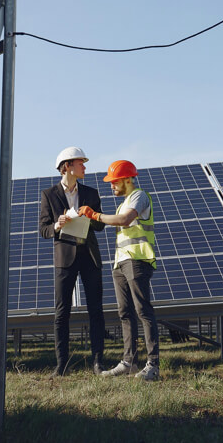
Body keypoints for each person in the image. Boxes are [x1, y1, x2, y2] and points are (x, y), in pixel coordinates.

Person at [79, 160, 160, 381]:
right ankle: (129, 362)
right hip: (121, 263)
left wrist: (95, 215)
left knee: (143, 311)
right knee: (125, 313)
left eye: (114, 182)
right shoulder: (124, 202)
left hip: (137, 260)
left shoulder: (138, 196)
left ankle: (153, 365)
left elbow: (124, 221)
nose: (111, 186)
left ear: (127, 179)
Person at [39, 146, 107, 376]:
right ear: (67, 166)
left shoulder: (91, 193)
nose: (85, 167)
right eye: (81, 163)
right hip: (65, 258)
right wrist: (58, 225)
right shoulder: (49, 195)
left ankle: (98, 362)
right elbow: (44, 229)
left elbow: (100, 225)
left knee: (96, 310)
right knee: (62, 313)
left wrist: (91, 215)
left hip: (89, 256)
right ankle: (62, 365)